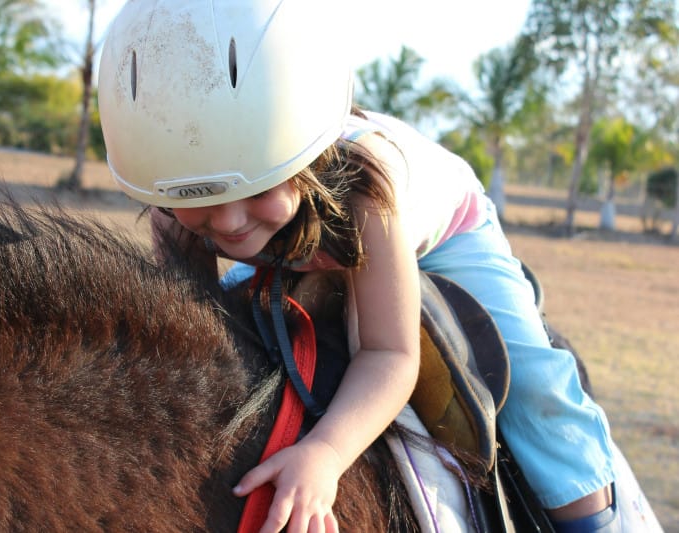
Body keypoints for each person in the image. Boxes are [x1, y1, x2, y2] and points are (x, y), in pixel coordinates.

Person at [97, 1, 619, 531]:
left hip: (444, 233)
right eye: (201, 198)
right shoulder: (174, 208)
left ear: (308, 160)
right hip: (297, 244)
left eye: (257, 188)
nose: (230, 223)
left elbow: (389, 353)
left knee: (536, 386)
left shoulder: (369, 192)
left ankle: (592, 518)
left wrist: (325, 453)